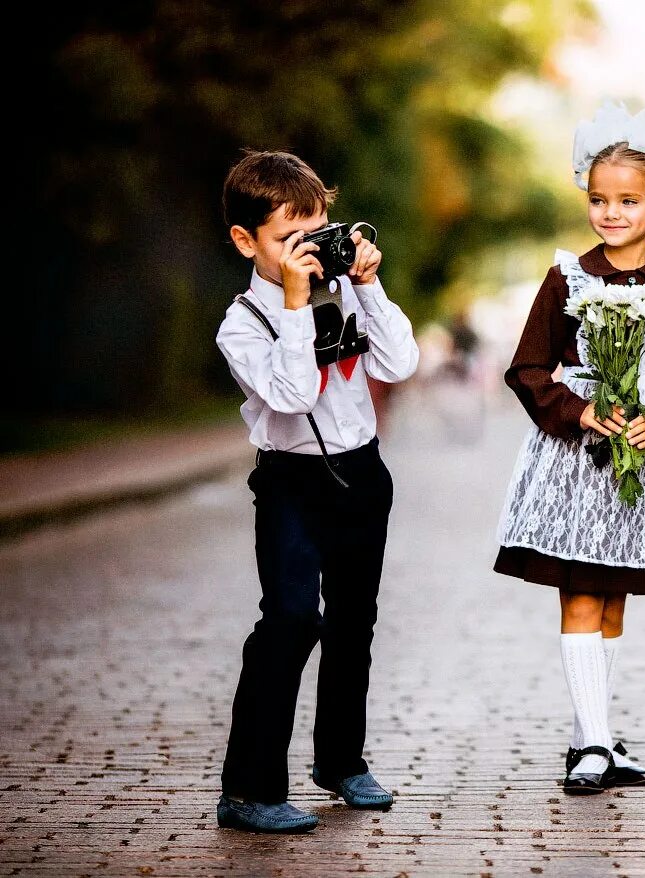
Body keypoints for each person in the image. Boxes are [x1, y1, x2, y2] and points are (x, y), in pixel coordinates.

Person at [494, 102, 645, 794]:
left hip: (635, 472)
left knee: (613, 600)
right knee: (580, 597)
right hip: (573, 464)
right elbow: (526, 369)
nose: (611, 213)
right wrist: (580, 410)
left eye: (627, 200)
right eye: (598, 199)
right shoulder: (567, 279)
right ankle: (593, 744)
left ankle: (590, 739)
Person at [214, 151, 420, 832]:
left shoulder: (345, 290)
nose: (307, 251)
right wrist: (299, 308)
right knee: (292, 619)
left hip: (362, 474)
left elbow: (400, 362)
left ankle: (341, 761)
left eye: (318, 232)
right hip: (291, 484)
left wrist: (366, 286)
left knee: (355, 622)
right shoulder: (242, 321)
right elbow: (293, 393)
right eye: (288, 239)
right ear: (246, 240)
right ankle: (248, 789)